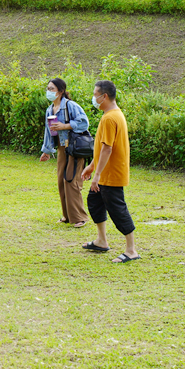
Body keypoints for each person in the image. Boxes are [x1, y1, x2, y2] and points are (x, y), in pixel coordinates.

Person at [81, 80, 140, 264]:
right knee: (94, 202)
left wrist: (96, 176)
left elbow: (107, 149)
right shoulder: (113, 114)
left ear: (104, 96)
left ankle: (131, 250)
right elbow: (101, 148)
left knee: (117, 209)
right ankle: (101, 241)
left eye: (95, 94)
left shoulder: (110, 118)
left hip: (111, 174)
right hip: (103, 172)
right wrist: (92, 166)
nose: (93, 98)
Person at [38, 78, 90, 228]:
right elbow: (48, 132)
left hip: (74, 148)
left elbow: (84, 122)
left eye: (52, 89)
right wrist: (47, 151)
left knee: (71, 181)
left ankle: (80, 217)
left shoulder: (70, 106)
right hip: (62, 148)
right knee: (61, 181)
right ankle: (67, 216)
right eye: (48, 88)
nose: (49, 91)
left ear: (61, 91)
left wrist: (65, 126)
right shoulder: (50, 110)